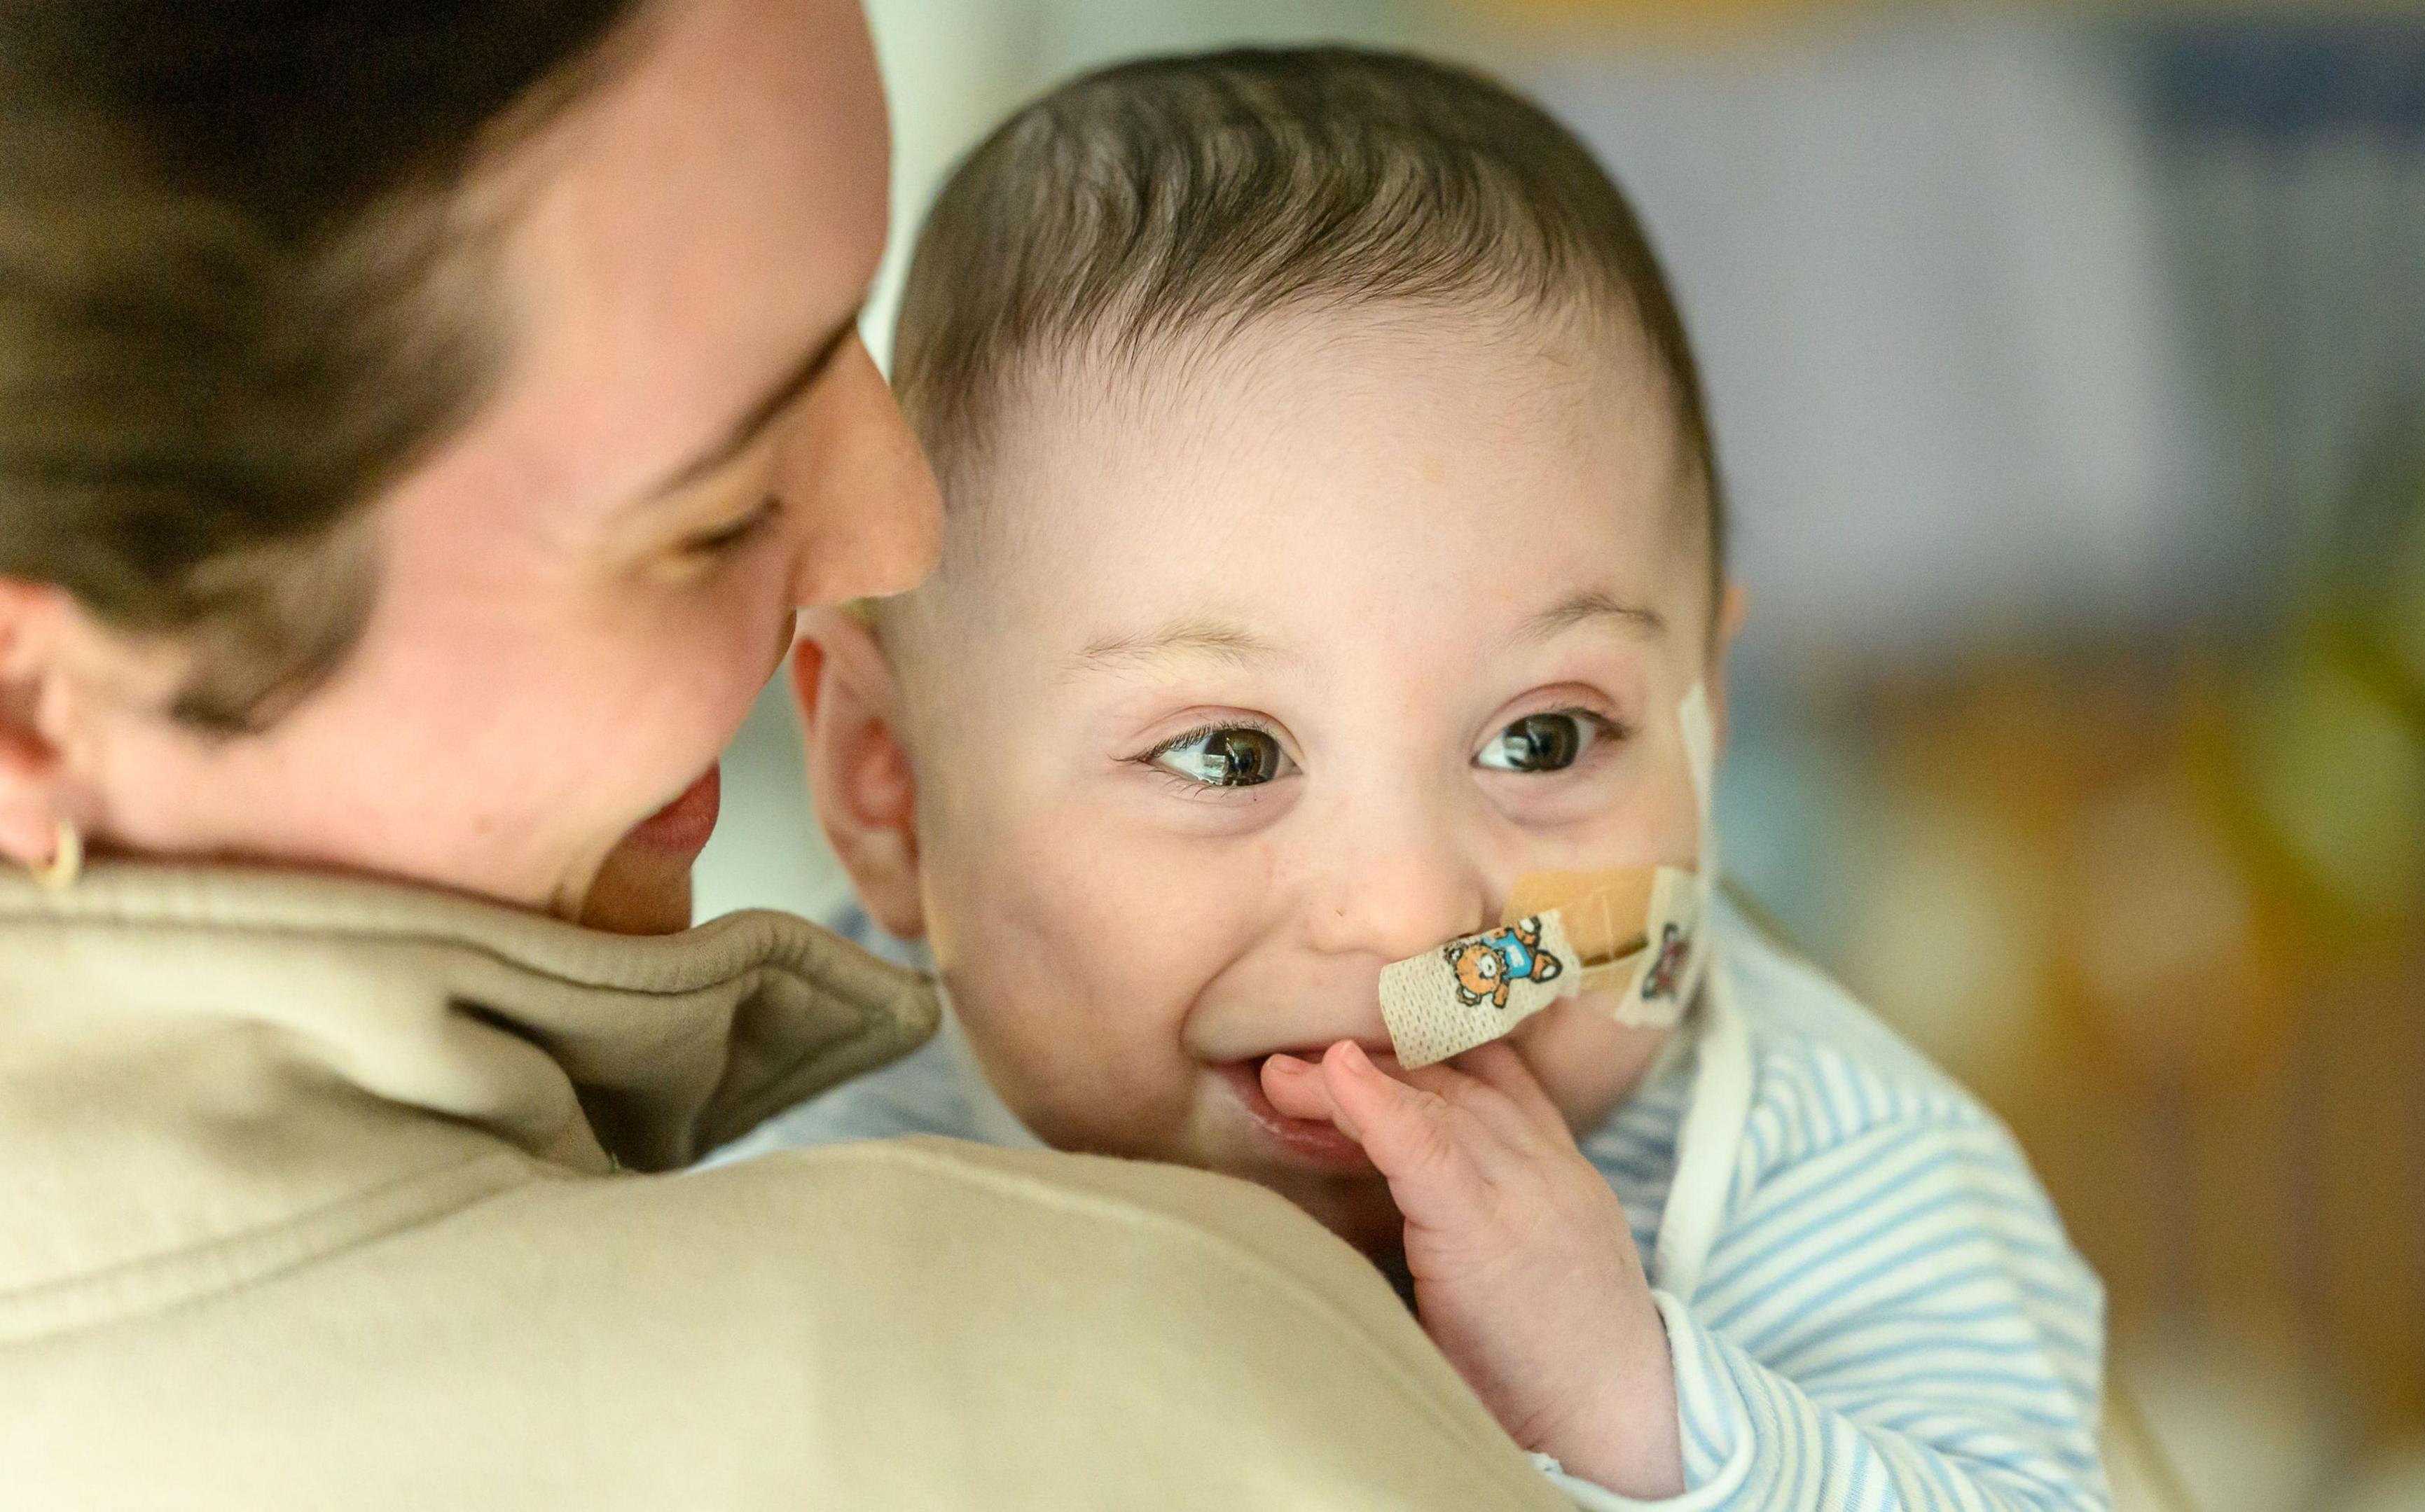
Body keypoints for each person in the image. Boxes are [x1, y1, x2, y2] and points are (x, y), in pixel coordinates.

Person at [0, 6, 1563, 1507]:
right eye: (715, 509)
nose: (899, 529)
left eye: (853, 329)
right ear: (31, 704)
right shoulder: (1128, 1381)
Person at [738, 48, 2111, 1510]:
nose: (1412, 919)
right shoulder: (789, 1129)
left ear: (1704, 718)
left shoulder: (1828, 1170)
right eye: (1228, 755)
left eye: (1544, 741)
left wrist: (1639, 1414)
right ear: (891, 787)